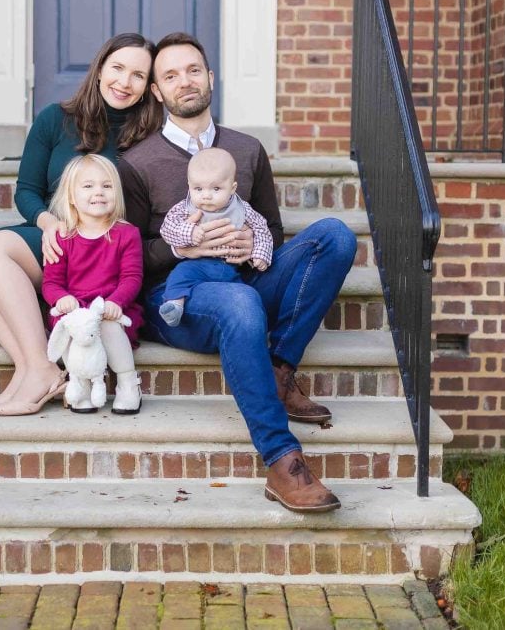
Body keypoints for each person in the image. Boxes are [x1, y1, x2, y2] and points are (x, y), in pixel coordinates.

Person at [118, 32, 357, 513]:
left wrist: (254, 248)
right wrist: (183, 247)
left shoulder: (247, 151)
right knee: (241, 302)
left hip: (242, 279)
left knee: (335, 235)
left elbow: (272, 229)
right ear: (157, 93)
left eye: (192, 70)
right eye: (169, 75)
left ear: (209, 78)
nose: (183, 81)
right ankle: (283, 459)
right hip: (179, 300)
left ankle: (279, 368)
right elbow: (129, 257)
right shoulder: (136, 163)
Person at [0, 33, 162, 416]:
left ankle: (37, 370)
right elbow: (26, 190)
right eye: (118, 68)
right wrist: (47, 224)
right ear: (99, 69)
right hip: (55, 236)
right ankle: (32, 365)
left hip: (99, 251)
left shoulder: (147, 137)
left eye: (138, 76)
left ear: (148, 87)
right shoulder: (55, 118)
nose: (125, 83)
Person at [41, 154, 143, 414]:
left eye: (106, 186)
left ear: (116, 193)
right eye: (88, 186)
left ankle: (128, 382)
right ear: (72, 197)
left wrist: (116, 302)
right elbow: (51, 282)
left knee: (107, 325)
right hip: (77, 308)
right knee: (70, 327)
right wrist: (60, 299)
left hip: (112, 307)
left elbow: (132, 277)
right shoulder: (63, 236)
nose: (99, 192)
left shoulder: (126, 233)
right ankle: (81, 384)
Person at [157, 147, 273, 327]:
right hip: (195, 264)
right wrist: (190, 232)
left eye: (216, 188)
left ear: (232, 188)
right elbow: (167, 228)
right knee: (179, 275)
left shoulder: (241, 208)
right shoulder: (185, 208)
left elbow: (261, 227)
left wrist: (259, 253)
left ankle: (257, 318)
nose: (206, 196)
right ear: (189, 186)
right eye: (198, 188)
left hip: (229, 267)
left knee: (242, 291)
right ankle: (175, 305)